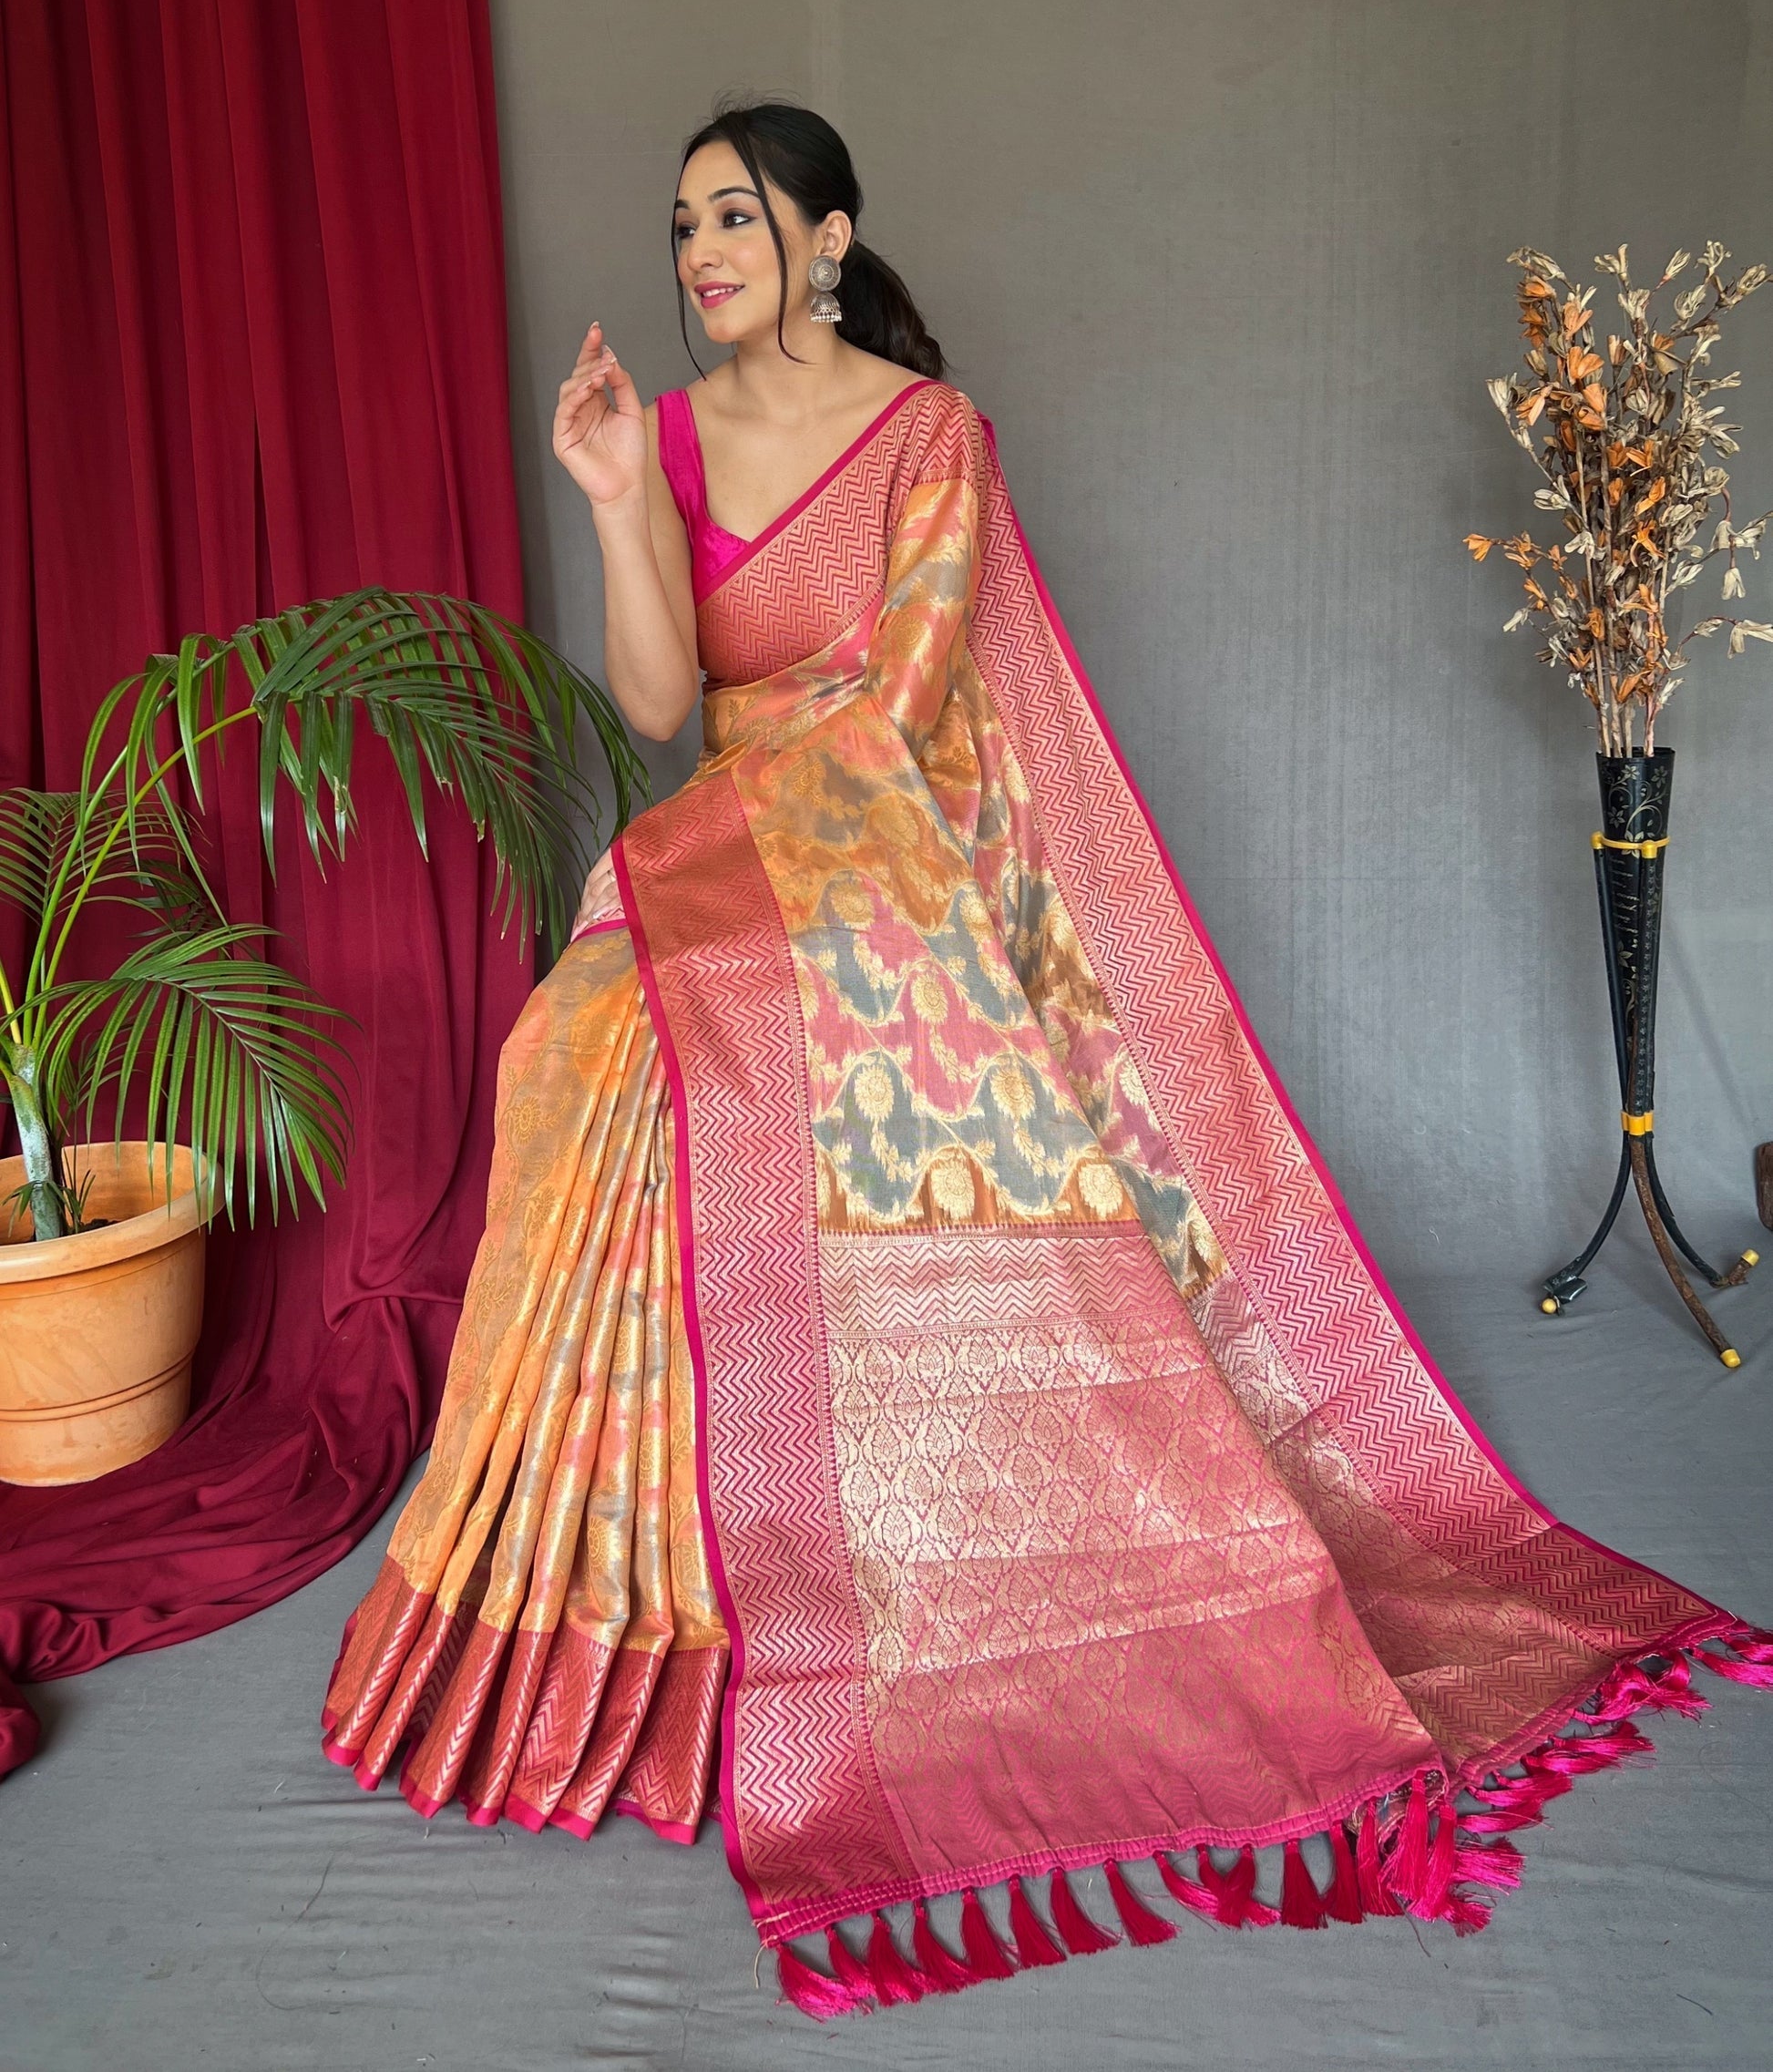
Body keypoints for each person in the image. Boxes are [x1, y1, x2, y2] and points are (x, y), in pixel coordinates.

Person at [322, 102, 1770, 2015]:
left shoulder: (931, 439)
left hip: (884, 850)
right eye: (681, 226)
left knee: (709, 1055)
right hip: (727, 836)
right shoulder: (666, 439)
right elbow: (671, 708)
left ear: (829, 238)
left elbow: (911, 701)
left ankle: (853, 1584)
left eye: (735, 218)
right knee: (576, 1050)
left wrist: (776, 842)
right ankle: (615, 1610)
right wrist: (603, 494)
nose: (699, 254)